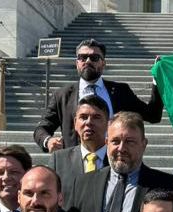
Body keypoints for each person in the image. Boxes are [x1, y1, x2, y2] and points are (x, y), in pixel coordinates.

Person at [34, 39, 164, 153]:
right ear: (77, 63)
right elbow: (41, 128)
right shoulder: (62, 95)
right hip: (75, 166)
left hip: (112, 163)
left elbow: (153, 115)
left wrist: (158, 79)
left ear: (103, 63)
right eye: (82, 57)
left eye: (94, 58)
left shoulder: (120, 91)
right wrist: (48, 141)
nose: (88, 61)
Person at [49, 96, 110, 196]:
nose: (89, 122)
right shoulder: (59, 159)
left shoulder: (118, 159)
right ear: (75, 123)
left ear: (108, 124)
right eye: (83, 117)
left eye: (96, 117)